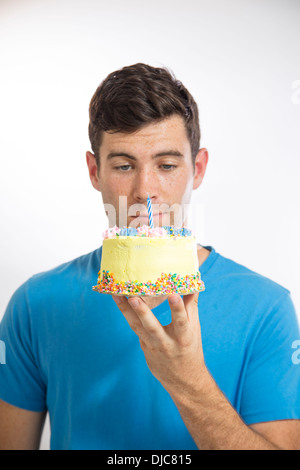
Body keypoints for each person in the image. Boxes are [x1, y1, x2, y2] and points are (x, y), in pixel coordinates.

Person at [0, 63, 300, 451]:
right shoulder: (34, 304)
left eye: (167, 165)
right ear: (94, 171)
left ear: (198, 168)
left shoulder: (267, 309)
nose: (145, 190)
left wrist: (186, 379)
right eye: (124, 166)